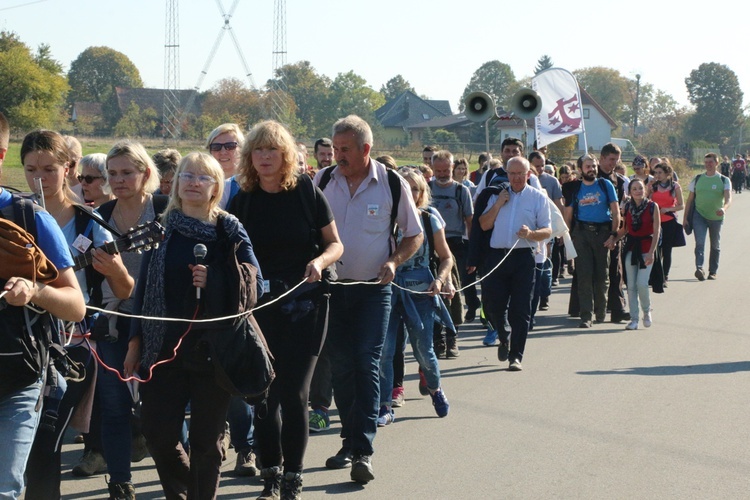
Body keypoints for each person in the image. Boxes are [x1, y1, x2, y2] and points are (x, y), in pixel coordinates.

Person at [124, 152, 263, 499]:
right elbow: (142, 291)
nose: (194, 183)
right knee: (157, 432)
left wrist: (215, 278)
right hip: (162, 348)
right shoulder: (161, 227)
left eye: (204, 178)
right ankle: (191, 491)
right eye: (187, 176)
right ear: (176, 184)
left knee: (206, 441)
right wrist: (135, 340)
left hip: (213, 349)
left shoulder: (228, 229)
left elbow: (257, 285)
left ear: (216, 187)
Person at [228, 120, 342, 500]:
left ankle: (293, 476)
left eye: (271, 150)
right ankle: (271, 475)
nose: (264, 157)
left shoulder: (306, 192)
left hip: (305, 303)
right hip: (259, 307)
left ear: (286, 156)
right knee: (263, 393)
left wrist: (321, 263)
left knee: (294, 393)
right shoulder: (242, 198)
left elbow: (335, 245)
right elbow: (224, 248)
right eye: (257, 150)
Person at [22, 130, 134, 500]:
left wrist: (116, 271)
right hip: (20, 338)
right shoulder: (17, 215)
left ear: (69, 169)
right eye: (31, 169)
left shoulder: (89, 224)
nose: (40, 179)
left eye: (49, 169)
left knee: (45, 441)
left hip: (72, 344)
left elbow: (125, 290)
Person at [314, 115, 422, 484]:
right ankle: (348, 440)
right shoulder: (323, 180)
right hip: (333, 289)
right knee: (341, 366)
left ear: (366, 149)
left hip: (375, 291)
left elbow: (414, 234)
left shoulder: (391, 183)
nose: (337, 156)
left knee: (366, 362)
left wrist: (394, 261)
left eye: (344, 149)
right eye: (334, 148)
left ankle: (363, 450)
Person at [0, 121, 86, 499]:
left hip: (18, 378)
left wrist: (34, 290)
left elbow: (76, 305)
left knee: (5, 488)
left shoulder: (28, 217)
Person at [94, 140, 166, 499]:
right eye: (113, 173)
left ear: (146, 174)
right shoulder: (97, 217)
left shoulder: (164, 212)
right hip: (111, 324)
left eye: (127, 172)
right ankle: (119, 481)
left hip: (158, 325)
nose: (119, 180)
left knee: (161, 407)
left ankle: (175, 476)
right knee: (114, 406)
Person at [378, 167, 452, 426]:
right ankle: (384, 405)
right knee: (385, 351)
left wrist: (441, 280)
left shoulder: (430, 218)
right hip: (386, 291)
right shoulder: (384, 217)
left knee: (424, 351)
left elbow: (446, 257)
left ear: (422, 193)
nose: (409, 193)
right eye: (404, 188)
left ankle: (434, 388)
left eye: (415, 188)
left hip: (420, 293)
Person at [475, 157, 551, 370]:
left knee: (521, 309)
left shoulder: (538, 197)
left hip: (523, 257)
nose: (516, 178)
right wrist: (498, 204)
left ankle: (515, 355)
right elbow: (483, 224)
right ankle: (503, 335)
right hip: (497, 256)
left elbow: (547, 230)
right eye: (512, 173)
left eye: (520, 174)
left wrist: (531, 233)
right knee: (493, 305)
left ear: (528, 175)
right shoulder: (497, 195)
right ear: (507, 174)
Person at [563, 154, 620, 329]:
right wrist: (568, 236)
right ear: (580, 169)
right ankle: (585, 316)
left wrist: (613, 235)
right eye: (588, 166)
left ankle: (600, 312)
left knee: (602, 276)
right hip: (581, 234)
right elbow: (568, 214)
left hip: (602, 233)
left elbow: (616, 212)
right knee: (584, 276)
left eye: (594, 166)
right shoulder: (575, 188)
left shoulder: (605, 184)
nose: (592, 169)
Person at [429, 150, 475, 347]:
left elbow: (470, 222)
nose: (442, 174)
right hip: (429, 245)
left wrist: (474, 253)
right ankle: (437, 337)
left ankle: (452, 335)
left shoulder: (461, 191)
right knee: (432, 292)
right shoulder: (426, 188)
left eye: (445, 169)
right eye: (438, 170)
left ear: (452, 167)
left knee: (452, 291)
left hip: (454, 244)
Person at [616, 179, 660, 330]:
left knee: (642, 283)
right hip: (631, 248)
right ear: (630, 191)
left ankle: (646, 311)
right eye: (634, 188)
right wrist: (613, 238)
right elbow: (624, 229)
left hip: (647, 248)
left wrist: (651, 253)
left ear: (645, 190)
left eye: (640, 188)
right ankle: (634, 318)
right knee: (631, 285)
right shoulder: (627, 206)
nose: (638, 191)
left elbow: (656, 231)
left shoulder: (653, 207)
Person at [683, 153, 731, 281]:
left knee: (715, 245)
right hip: (699, 215)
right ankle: (699, 268)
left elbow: (728, 198)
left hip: (716, 217)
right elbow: (689, 199)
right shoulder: (698, 179)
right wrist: (685, 217)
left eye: (711, 162)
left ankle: (713, 271)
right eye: (706, 162)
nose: (708, 164)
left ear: (716, 163)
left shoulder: (724, 180)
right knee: (700, 243)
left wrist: (724, 208)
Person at [596, 143, 630, 323]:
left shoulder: (618, 180)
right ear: (601, 158)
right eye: (611, 160)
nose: (614, 164)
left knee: (616, 270)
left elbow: (621, 205)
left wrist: (616, 233)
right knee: (592, 272)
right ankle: (584, 308)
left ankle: (617, 308)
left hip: (613, 229)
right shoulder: (592, 177)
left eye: (617, 160)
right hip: (593, 229)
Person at [648, 162, 684, 283]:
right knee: (655, 248)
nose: (657, 175)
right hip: (655, 221)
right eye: (655, 173)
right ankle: (655, 275)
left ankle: (665, 276)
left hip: (669, 221)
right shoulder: (653, 186)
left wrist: (668, 209)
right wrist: (649, 189)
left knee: (667, 249)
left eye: (660, 172)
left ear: (667, 173)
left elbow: (681, 205)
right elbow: (646, 201)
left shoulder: (675, 186)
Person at [207, 123, 243, 209]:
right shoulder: (201, 183)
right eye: (216, 147)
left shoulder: (250, 184)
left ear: (242, 149)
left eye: (230, 146)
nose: (223, 152)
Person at [63, 135, 85, 203]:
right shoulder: (52, 185)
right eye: (62, 164)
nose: (67, 169)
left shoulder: (86, 186)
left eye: (71, 164)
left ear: (80, 160)